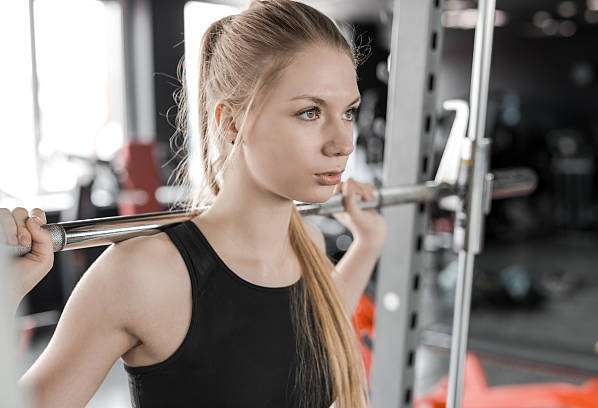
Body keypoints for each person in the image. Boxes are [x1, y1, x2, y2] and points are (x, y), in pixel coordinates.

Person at [2, 1, 388, 407]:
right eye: (310, 112)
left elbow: (302, 341)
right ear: (231, 122)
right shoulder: (143, 273)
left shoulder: (304, 244)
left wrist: (367, 245)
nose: (343, 143)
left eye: (348, 113)